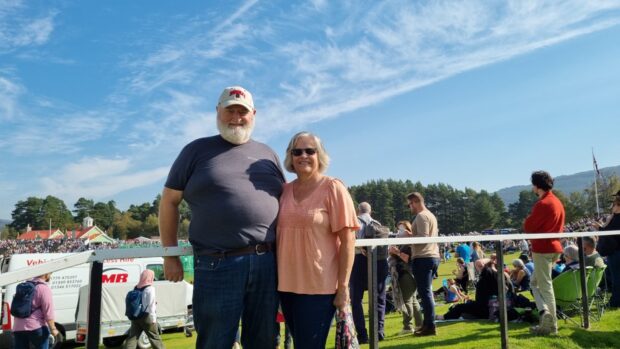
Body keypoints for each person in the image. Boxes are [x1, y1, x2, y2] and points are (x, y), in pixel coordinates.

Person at [159, 86, 285, 348]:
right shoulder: (195, 151)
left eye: (243, 111)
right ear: (218, 111)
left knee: (265, 341)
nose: (236, 117)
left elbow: (286, 202)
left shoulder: (268, 154)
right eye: (230, 110)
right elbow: (169, 202)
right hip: (217, 263)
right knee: (215, 342)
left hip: (267, 263)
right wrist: (170, 254)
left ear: (254, 115)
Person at [276, 131, 358, 348]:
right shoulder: (284, 191)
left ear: (319, 155)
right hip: (286, 286)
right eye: (297, 151)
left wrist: (343, 287)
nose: (303, 155)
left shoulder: (333, 188)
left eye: (310, 150)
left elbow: (348, 241)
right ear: (290, 157)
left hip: (319, 288)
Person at [523, 170, 565, 336]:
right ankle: (545, 314)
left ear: (536, 186)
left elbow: (528, 227)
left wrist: (527, 219)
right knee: (534, 283)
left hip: (543, 249)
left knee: (545, 286)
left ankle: (551, 325)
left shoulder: (543, 204)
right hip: (554, 249)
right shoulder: (557, 202)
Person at [349, 202, 389, 343]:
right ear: (370, 211)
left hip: (359, 261)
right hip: (379, 262)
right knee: (379, 298)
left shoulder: (354, 222)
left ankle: (363, 335)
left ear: (358, 210)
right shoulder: (377, 223)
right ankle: (379, 332)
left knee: (356, 300)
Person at [406, 192, 440, 336]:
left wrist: (409, 237)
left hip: (423, 257)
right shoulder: (430, 215)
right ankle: (427, 324)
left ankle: (430, 326)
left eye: (410, 204)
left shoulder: (421, 216)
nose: (409, 207)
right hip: (431, 256)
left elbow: (423, 238)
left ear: (415, 201)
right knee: (426, 292)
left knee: (425, 293)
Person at [388, 220, 423, 335]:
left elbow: (408, 259)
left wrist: (396, 252)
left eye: (401, 229)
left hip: (406, 274)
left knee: (407, 301)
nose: (399, 232)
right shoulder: (404, 243)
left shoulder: (409, 244)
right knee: (413, 301)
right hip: (408, 274)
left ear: (408, 231)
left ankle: (408, 326)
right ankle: (419, 324)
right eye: (398, 229)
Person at [12, 273, 59, 349]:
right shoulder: (43, 288)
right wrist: (53, 328)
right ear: (46, 275)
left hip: (18, 327)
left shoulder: (24, 286)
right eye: (50, 274)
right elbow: (48, 311)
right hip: (36, 327)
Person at [123, 270, 164, 349]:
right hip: (147, 317)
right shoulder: (150, 288)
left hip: (136, 316)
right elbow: (151, 305)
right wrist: (153, 319)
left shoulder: (136, 287)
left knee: (132, 338)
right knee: (155, 338)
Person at [596, 193, 620, 307]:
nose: (612, 207)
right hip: (615, 251)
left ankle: (616, 302)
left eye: (614, 205)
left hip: (615, 252)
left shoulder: (615, 219)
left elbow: (607, 233)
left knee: (616, 278)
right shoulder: (614, 218)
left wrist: (599, 227)